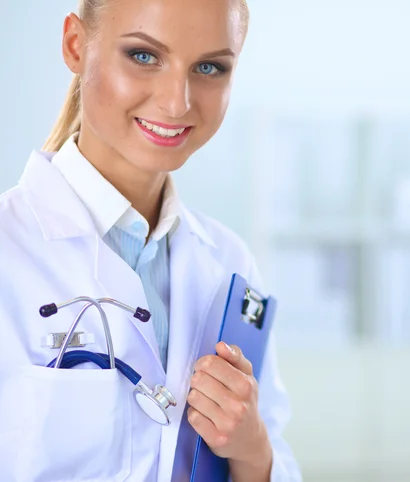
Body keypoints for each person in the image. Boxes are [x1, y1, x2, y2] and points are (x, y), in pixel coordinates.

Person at [0, 0, 301, 480]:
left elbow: (278, 460)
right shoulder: (10, 249)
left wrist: (252, 448)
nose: (177, 101)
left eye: (209, 67)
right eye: (144, 56)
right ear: (76, 45)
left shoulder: (229, 264)